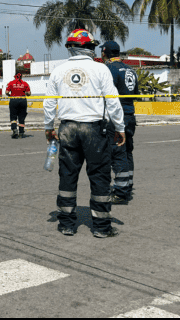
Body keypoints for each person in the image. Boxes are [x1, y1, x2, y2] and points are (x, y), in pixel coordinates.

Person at [44, 29, 126, 238]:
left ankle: (66, 224)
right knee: (99, 175)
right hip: (93, 129)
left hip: (68, 128)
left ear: (69, 48)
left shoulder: (58, 71)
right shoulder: (101, 70)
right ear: (90, 47)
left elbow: (49, 103)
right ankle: (100, 227)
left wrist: (48, 127)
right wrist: (120, 127)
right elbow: (113, 102)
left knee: (68, 175)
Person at [100, 41, 138, 205]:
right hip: (130, 115)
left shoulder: (109, 69)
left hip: (117, 116)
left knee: (117, 153)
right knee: (127, 151)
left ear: (104, 52)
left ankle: (121, 193)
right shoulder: (130, 70)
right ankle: (127, 186)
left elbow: (105, 94)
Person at [5, 72, 31, 138]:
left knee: (13, 116)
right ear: (21, 76)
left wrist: (9, 95)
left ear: (14, 76)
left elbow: (7, 92)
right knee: (21, 117)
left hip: (13, 100)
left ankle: (14, 129)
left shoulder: (10, 83)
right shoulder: (25, 83)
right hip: (23, 101)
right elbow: (29, 93)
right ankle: (21, 132)